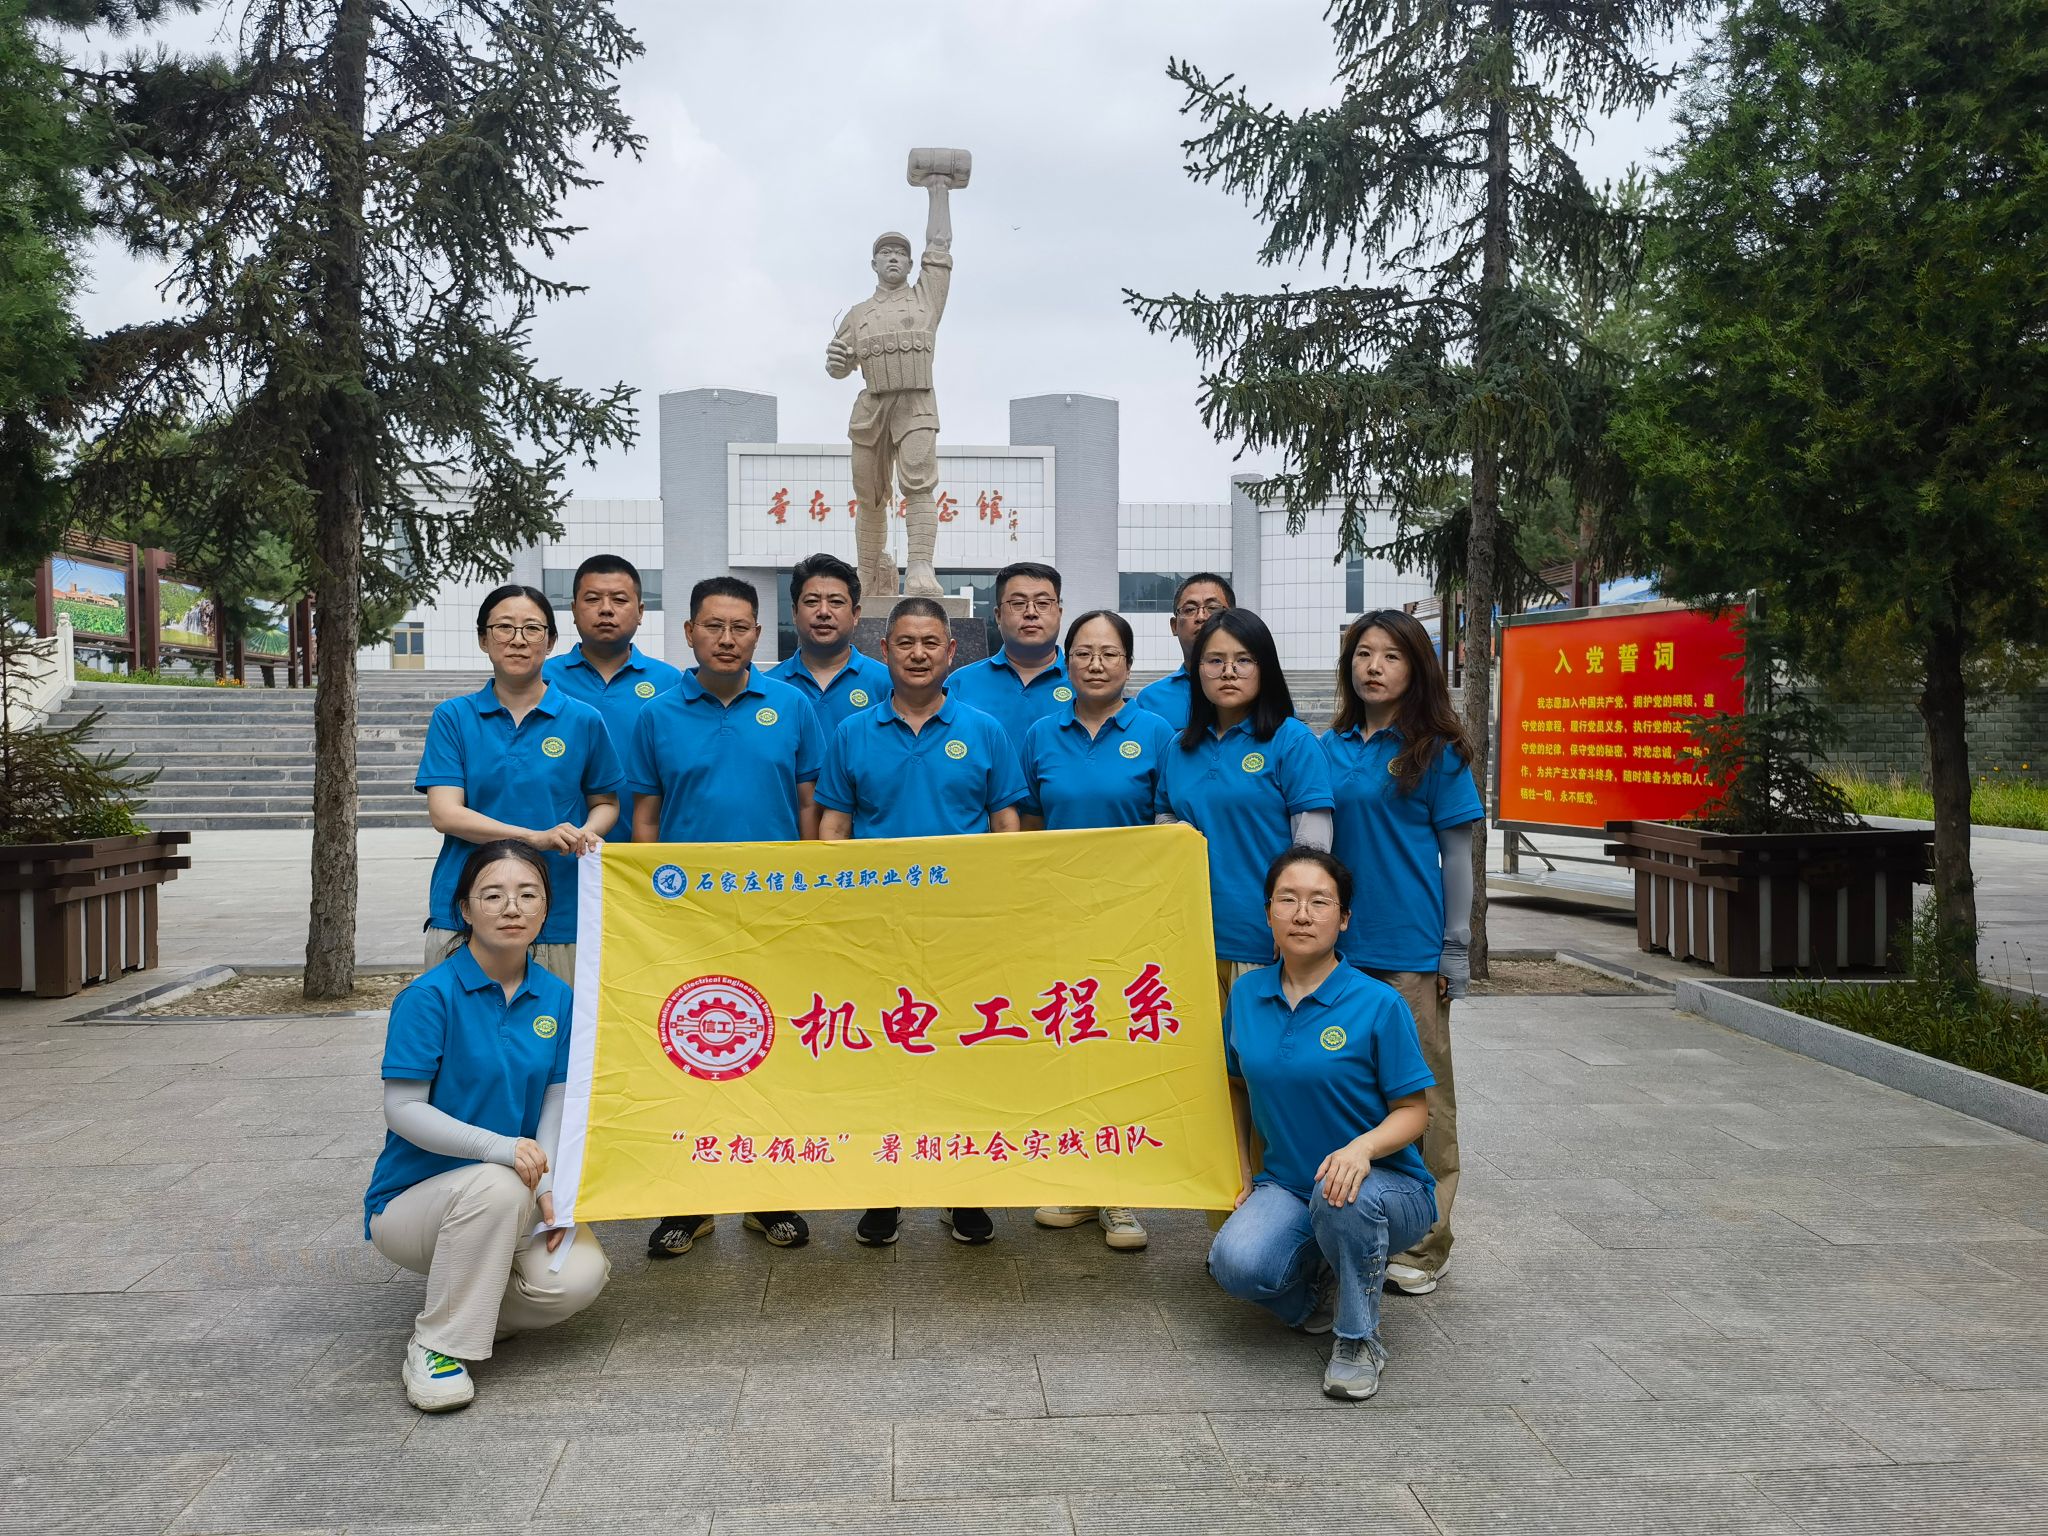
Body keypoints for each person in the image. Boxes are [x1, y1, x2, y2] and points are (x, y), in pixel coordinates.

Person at [365, 839, 611, 1412]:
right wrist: (500, 1149)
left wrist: (548, 1189)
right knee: (498, 1182)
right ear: (465, 909)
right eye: (493, 895)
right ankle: (437, 1346)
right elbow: (403, 1109)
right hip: (414, 1205)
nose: (512, 908)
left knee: (578, 1276)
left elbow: (555, 1103)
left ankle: (465, 1307)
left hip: (514, 1191)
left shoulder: (558, 998)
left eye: (528, 894)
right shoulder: (428, 997)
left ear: (546, 909)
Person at [817, 596, 1028, 1248]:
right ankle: (884, 1192)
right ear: (884, 650)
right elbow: (833, 829)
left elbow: (1007, 825)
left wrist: (999, 908)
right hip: (878, 931)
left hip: (964, 930)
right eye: (905, 642)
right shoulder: (852, 733)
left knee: (963, 1059)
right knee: (882, 1062)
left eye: (930, 642)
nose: (917, 653)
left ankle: (964, 1192)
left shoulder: (985, 730)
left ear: (951, 652)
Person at [630, 575, 826, 1258]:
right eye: (713, 626)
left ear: (758, 635)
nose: (726, 638)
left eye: (740, 627)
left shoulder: (792, 706)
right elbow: (646, 817)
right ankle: (688, 1205)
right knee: (692, 1052)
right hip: (688, 918)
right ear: (689, 632)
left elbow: (809, 806)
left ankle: (769, 1197)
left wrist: (809, 893)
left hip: (775, 914)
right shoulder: (657, 715)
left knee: (772, 1052)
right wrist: (652, 905)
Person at [1207, 847, 1436, 1402]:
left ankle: (1358, 1339)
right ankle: (1322, 1287)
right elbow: (1235, 1086)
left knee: (1344, 1198)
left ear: (1344, 918)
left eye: (1320, 901)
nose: (1302, 914)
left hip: (1385, 1187)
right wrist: (1242, 1172)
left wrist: (1361, 1150)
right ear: (1268, 913)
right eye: (1287, 899)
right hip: (1288, 1185)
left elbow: (1415, 1111)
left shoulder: (1378, 1003)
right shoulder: (1247, 994)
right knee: (1233, 1265)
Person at [1322, 608, 1483, 1297]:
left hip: (1409, 954)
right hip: (1337, 952)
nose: (1374, 667)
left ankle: (1426, 1242)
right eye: (1364, 653)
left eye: (1391, 655)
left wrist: (1454, 948)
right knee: (1346, 1092)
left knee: (1423, 1097)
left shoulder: (1437, 750)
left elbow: (1459, 859)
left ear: (1416, 669)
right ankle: (1353, 1226)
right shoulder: (1328, 746)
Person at [1020, 609, 1175, 1253]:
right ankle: (1078, 1181)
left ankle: (1120, 1191)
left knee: (1121, 1050)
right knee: (1069, 1046)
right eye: (1083, 652)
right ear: (1066, 661)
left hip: (1130, 922)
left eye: (1109, 653)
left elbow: (1169, 828)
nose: (1095, 664)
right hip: (1058, 920)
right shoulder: (1040, 734)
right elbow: (1027, 830)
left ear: (1128, 664)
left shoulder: (1157, 733)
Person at [417, 586, 621, 979]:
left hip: (558, 912)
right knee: (461, 1018)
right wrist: (534, 838)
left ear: (551, 642)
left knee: (557, 1019)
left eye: (532, 628)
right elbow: (445, 813)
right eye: (504, 628)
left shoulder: (583, 719)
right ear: (483, 639)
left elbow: (606, 803)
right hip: (466, 911)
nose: (518, 640)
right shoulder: (453, 718)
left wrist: (585, 832)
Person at [1157, 608, 1334, 1009]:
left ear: (1264, 667)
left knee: (1255, 1049)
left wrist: (1291, 921)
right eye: (1215, 661)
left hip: (1263, 942)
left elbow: (1313, 847)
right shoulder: (1178, 747)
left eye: (1243, 660)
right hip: (1190, 938)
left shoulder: (1292, 741)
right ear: (1197, 670)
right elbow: (1164, 815)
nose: (1228, 672)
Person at [541, 554, 684, 843]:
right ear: (573, 609)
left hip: (646, 850)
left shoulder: (670, 682)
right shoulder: (542, 678)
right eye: (592, 599)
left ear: (640, 611)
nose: (606, 609)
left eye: (619, 600)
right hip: (556, 850)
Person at [945, 560, 1069, 752]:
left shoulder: (1086, 682)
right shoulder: (960, 684)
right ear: (998, 615)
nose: (1031, 613)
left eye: (1043, 603)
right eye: (1018, 603)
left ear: (1059, 613)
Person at [767, 551, 892, 732]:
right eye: (812, 601)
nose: (824, 612)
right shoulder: (768, 686)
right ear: (794, 613)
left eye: (836, 602)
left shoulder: (887, 683)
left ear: (855, 615)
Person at [1133, 572, 1234, 730]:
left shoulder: (1253, 692)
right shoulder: (1150, 701)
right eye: (1190, 609)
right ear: (1174, 626)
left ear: (1233, 618)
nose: (1201, 617)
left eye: (1213, 608)